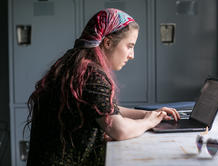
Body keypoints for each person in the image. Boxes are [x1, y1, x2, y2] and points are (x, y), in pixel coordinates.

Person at [25, 8, 180, 166]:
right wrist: (148, 122)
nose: (132, 55)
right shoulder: (92, 74)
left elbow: (106, 109)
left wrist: (151, 114)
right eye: (129, 46)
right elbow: (120, 130)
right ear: (107, 42)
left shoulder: (76, 64)